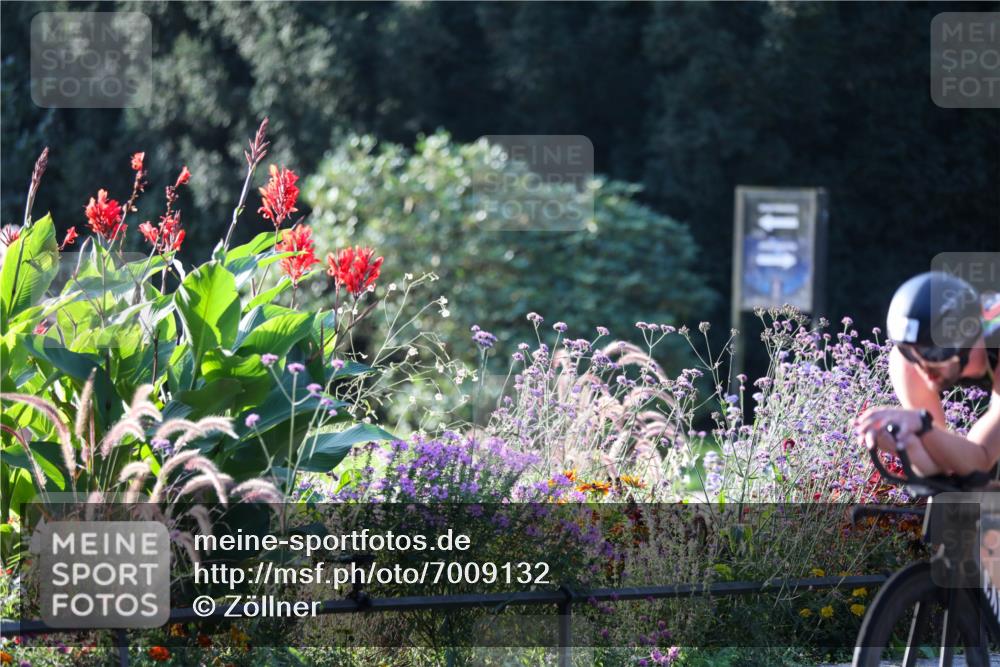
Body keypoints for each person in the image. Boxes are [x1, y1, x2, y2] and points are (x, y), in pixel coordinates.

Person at [855, 271, 1000, 477]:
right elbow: (947, 468)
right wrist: (910, 445)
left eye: (930, 352)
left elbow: (980, 459)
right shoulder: (907, 361)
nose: (922, 367)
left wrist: (922, 425)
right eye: (909, 350)